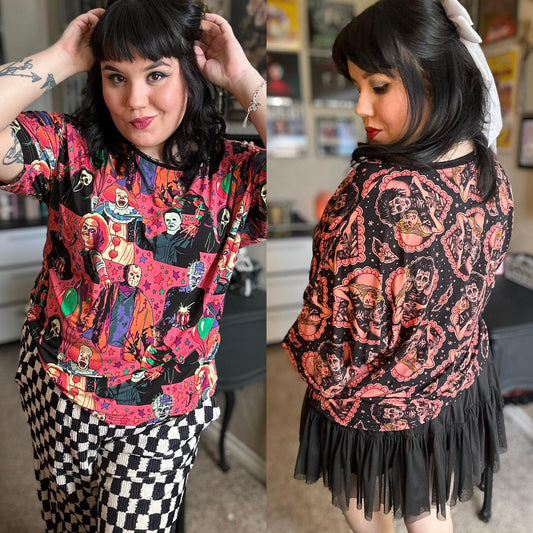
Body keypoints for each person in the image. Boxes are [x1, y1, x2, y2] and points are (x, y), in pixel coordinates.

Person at [0, 0, 266, 531]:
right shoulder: (70, 148)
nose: (134, 100)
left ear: (190, 72)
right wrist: (62, 57)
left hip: (167, 408)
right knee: (68, 524)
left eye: (157, 74)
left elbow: (328, 178)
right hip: (60, 386)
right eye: (115, 76)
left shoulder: (234, 173)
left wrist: (242, 78)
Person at [283, 1, 513, 532]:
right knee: (429, 507)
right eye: (357, 85)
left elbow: (337, 336)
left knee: (360, 501)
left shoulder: (373, 196)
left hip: (378, 402)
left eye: (379, 86)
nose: (360, 106)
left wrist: (312, 365)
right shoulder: (487, 168)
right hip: (457, 376)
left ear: (434, 77)